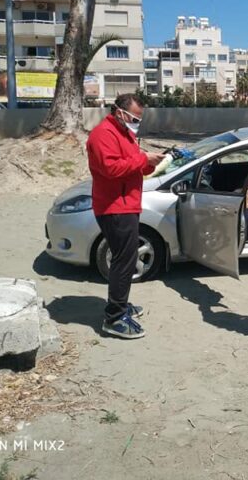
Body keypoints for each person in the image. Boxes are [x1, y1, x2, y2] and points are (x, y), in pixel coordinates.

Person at [86, 93, 165, 339]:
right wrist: (143, 159)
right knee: (124, 260)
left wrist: (151, 163)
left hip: (127, 204)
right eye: (134, 118)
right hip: (114, 207)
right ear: (120, 112)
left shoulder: (124, 133)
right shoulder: (102, 134)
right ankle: (114, 317)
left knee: (126, 258)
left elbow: (132, 163)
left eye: (139, 118)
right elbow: (111, 168)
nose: (137, 122)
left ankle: (119, 304)